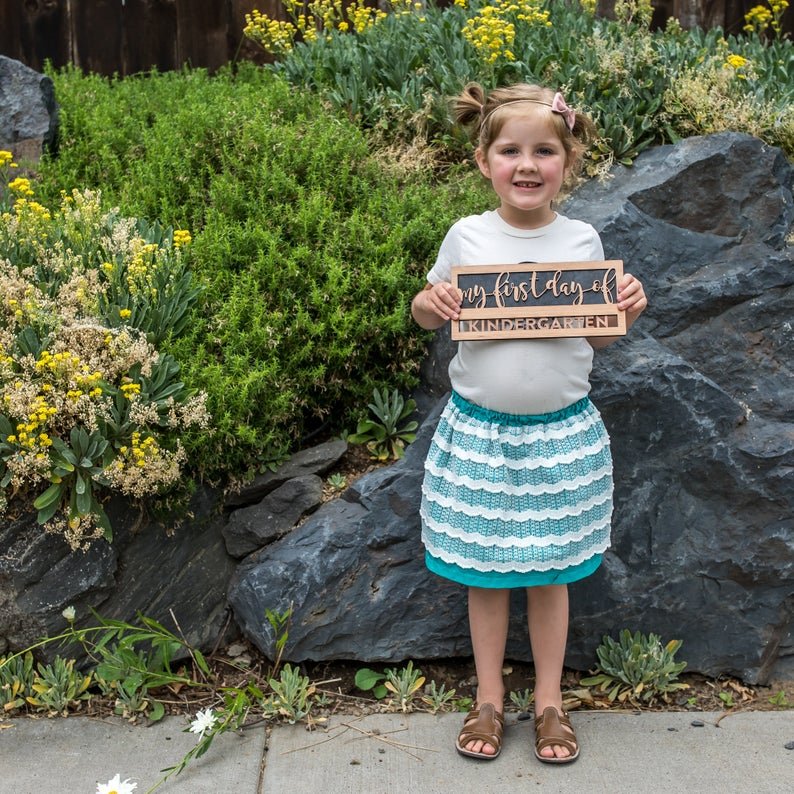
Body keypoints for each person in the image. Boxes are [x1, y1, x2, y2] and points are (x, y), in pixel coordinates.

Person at [411, 82, 647, 765]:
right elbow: (428, 315)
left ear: (567, 162)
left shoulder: (581, 240)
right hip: (481, 435)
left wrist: (628, 307)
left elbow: (597, 339)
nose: (526, 164)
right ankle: (488, 696)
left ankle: (549, 701)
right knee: (484, 574)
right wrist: (435, 299)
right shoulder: (467, 236)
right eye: (509, 150)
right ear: (484, 161)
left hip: (561, 437)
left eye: (544, 151)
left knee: (551, 573)